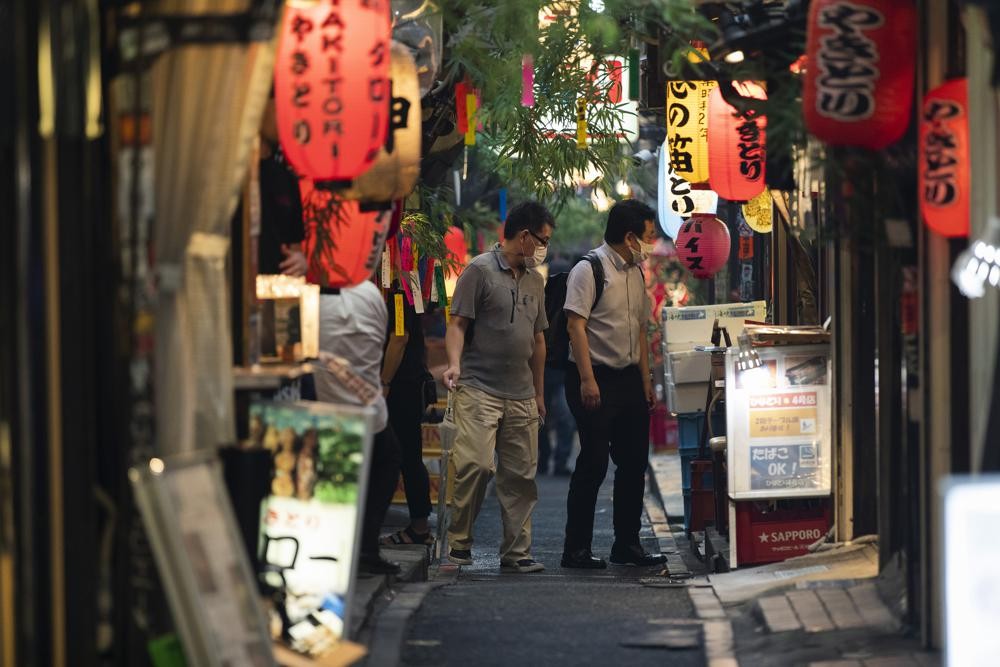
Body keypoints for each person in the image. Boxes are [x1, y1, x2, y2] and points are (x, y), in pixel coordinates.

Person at [442, 201, 554, 573]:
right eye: (542, 241)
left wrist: (539, 394)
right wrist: (454, 364)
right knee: (475, 465)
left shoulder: (536, 281)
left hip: (522, 393)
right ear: (523, 236)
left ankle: (517, 553)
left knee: (521, 478)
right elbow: (457, 324)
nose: (543, 249)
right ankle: (459, 542)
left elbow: (538, 341)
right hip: (478, 388)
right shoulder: (479, 271)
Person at [560, 200, 667, 569]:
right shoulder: (588, 270)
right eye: (649, 236)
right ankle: (575, 550)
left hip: (628, 379)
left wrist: (646, 380)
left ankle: (627, 544)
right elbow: (575, 326)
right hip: (593, 377)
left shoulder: (636, 273)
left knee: (634, 463)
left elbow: (639, 327)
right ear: (629, 236)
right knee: (593, 463)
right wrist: (588, 381)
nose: (651, 244)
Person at [314, 279, 402, 575]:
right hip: (362, 405)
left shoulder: (308, 290)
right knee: (384, 462)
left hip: (320, 401)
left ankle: (342, 549)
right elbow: (382, 345)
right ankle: (362, 547)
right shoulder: (369, 294)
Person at [379, 291, 435, 546]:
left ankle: (419, 527)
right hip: (401, 386)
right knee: (406, 456)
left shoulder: (399, 294)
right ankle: (418, 526)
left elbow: (399, 337)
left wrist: (384, 383)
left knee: (403, 456)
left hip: (401, 387)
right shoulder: (400, 290)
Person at [538, 254, 577, 477]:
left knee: (554, 418)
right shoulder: (542, 299)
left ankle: (553, 460)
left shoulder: (570, 300)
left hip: (553, 369)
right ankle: (553, 460)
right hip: (551, 369)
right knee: (558, 418)